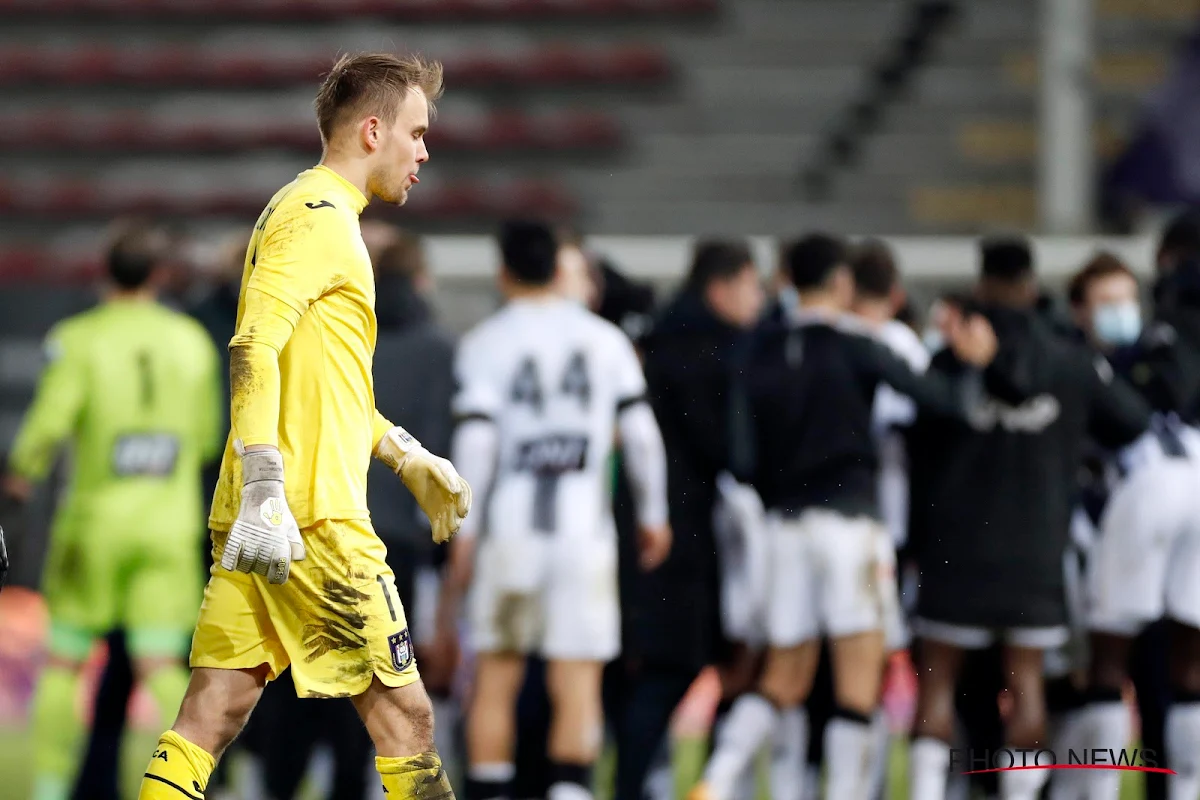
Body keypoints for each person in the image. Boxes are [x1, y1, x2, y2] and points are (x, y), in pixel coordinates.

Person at [133, 52, 473, 800]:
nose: (424, 152)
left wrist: (400, 450)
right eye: (416, 134)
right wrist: (265, 483)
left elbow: (319, 378)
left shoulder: (307, 211)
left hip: (275, 514)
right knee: (409, 724)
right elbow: (253, 343)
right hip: (312, 520)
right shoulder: (319, 220)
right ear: (373, 129)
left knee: (209, 716)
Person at [692, 233, 1007, 800]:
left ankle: (716, 779)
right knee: (857, 681)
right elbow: (945, 401)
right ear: (841, 282)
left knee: (782, 676)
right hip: (852, 527)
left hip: (784, 528)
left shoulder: (756, 352)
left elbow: (739, 459)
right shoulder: (856, 345)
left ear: (786, 280)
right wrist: (972, 368)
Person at [905, 238, 1150, 800]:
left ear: (984, 284)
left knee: (937, 687)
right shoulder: (1068, 359)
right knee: (1027, 687)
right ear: (1032, 286)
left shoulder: (950, 358)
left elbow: (918, 451)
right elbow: (1131, 424)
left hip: (956, 547)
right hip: (1036, 548)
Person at [439, 220, 671, 800]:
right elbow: (641, 436)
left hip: (510, 536)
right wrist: (654, 515)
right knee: (578, 682)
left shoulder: (485, 342)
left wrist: (460, 542)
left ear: (503, 271)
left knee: (496, 681)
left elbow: (476, 450)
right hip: (582, 540)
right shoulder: (605, 340)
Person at [0, 224, 223, 800]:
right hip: (167, 527)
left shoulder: (79, 338)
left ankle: (50, 790)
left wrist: (20, 475)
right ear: (159, 275)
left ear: (105, 271)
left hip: (92, 525)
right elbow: (204, 438)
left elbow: (48, 424)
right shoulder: (192, 342)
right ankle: (180, 786)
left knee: (65, 660)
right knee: (160, 661)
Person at [611, 239, 764, 800]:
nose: (759, 300)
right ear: (722, 287)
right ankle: (661, 783)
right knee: (672, 664)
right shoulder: (708, 351)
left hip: (655, 522)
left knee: (661, 666)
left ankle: (667, 780)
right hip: (680, 531)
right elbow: (722, 445)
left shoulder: (661, 341)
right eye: (752, 286)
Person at [1058, 252, 1200, 799]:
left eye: (1125, 300)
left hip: (1150, 493)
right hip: (1186, 483)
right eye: (1106, 303)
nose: (1120, 312)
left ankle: (1100, 790)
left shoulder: (1145, 358)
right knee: (1185, 657)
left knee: (1109, 660)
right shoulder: (1143, 357)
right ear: (1079, 310)